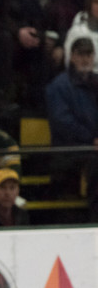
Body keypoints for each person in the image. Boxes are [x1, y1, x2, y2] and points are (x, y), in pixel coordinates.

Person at [46, 36, 98, 200]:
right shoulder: (59, 86)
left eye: (89, 55)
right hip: (69, 151)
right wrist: (91, 139)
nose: (85, 59)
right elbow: (62, 122)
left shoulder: (95, 83)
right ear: (72, 56)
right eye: (81, 55)